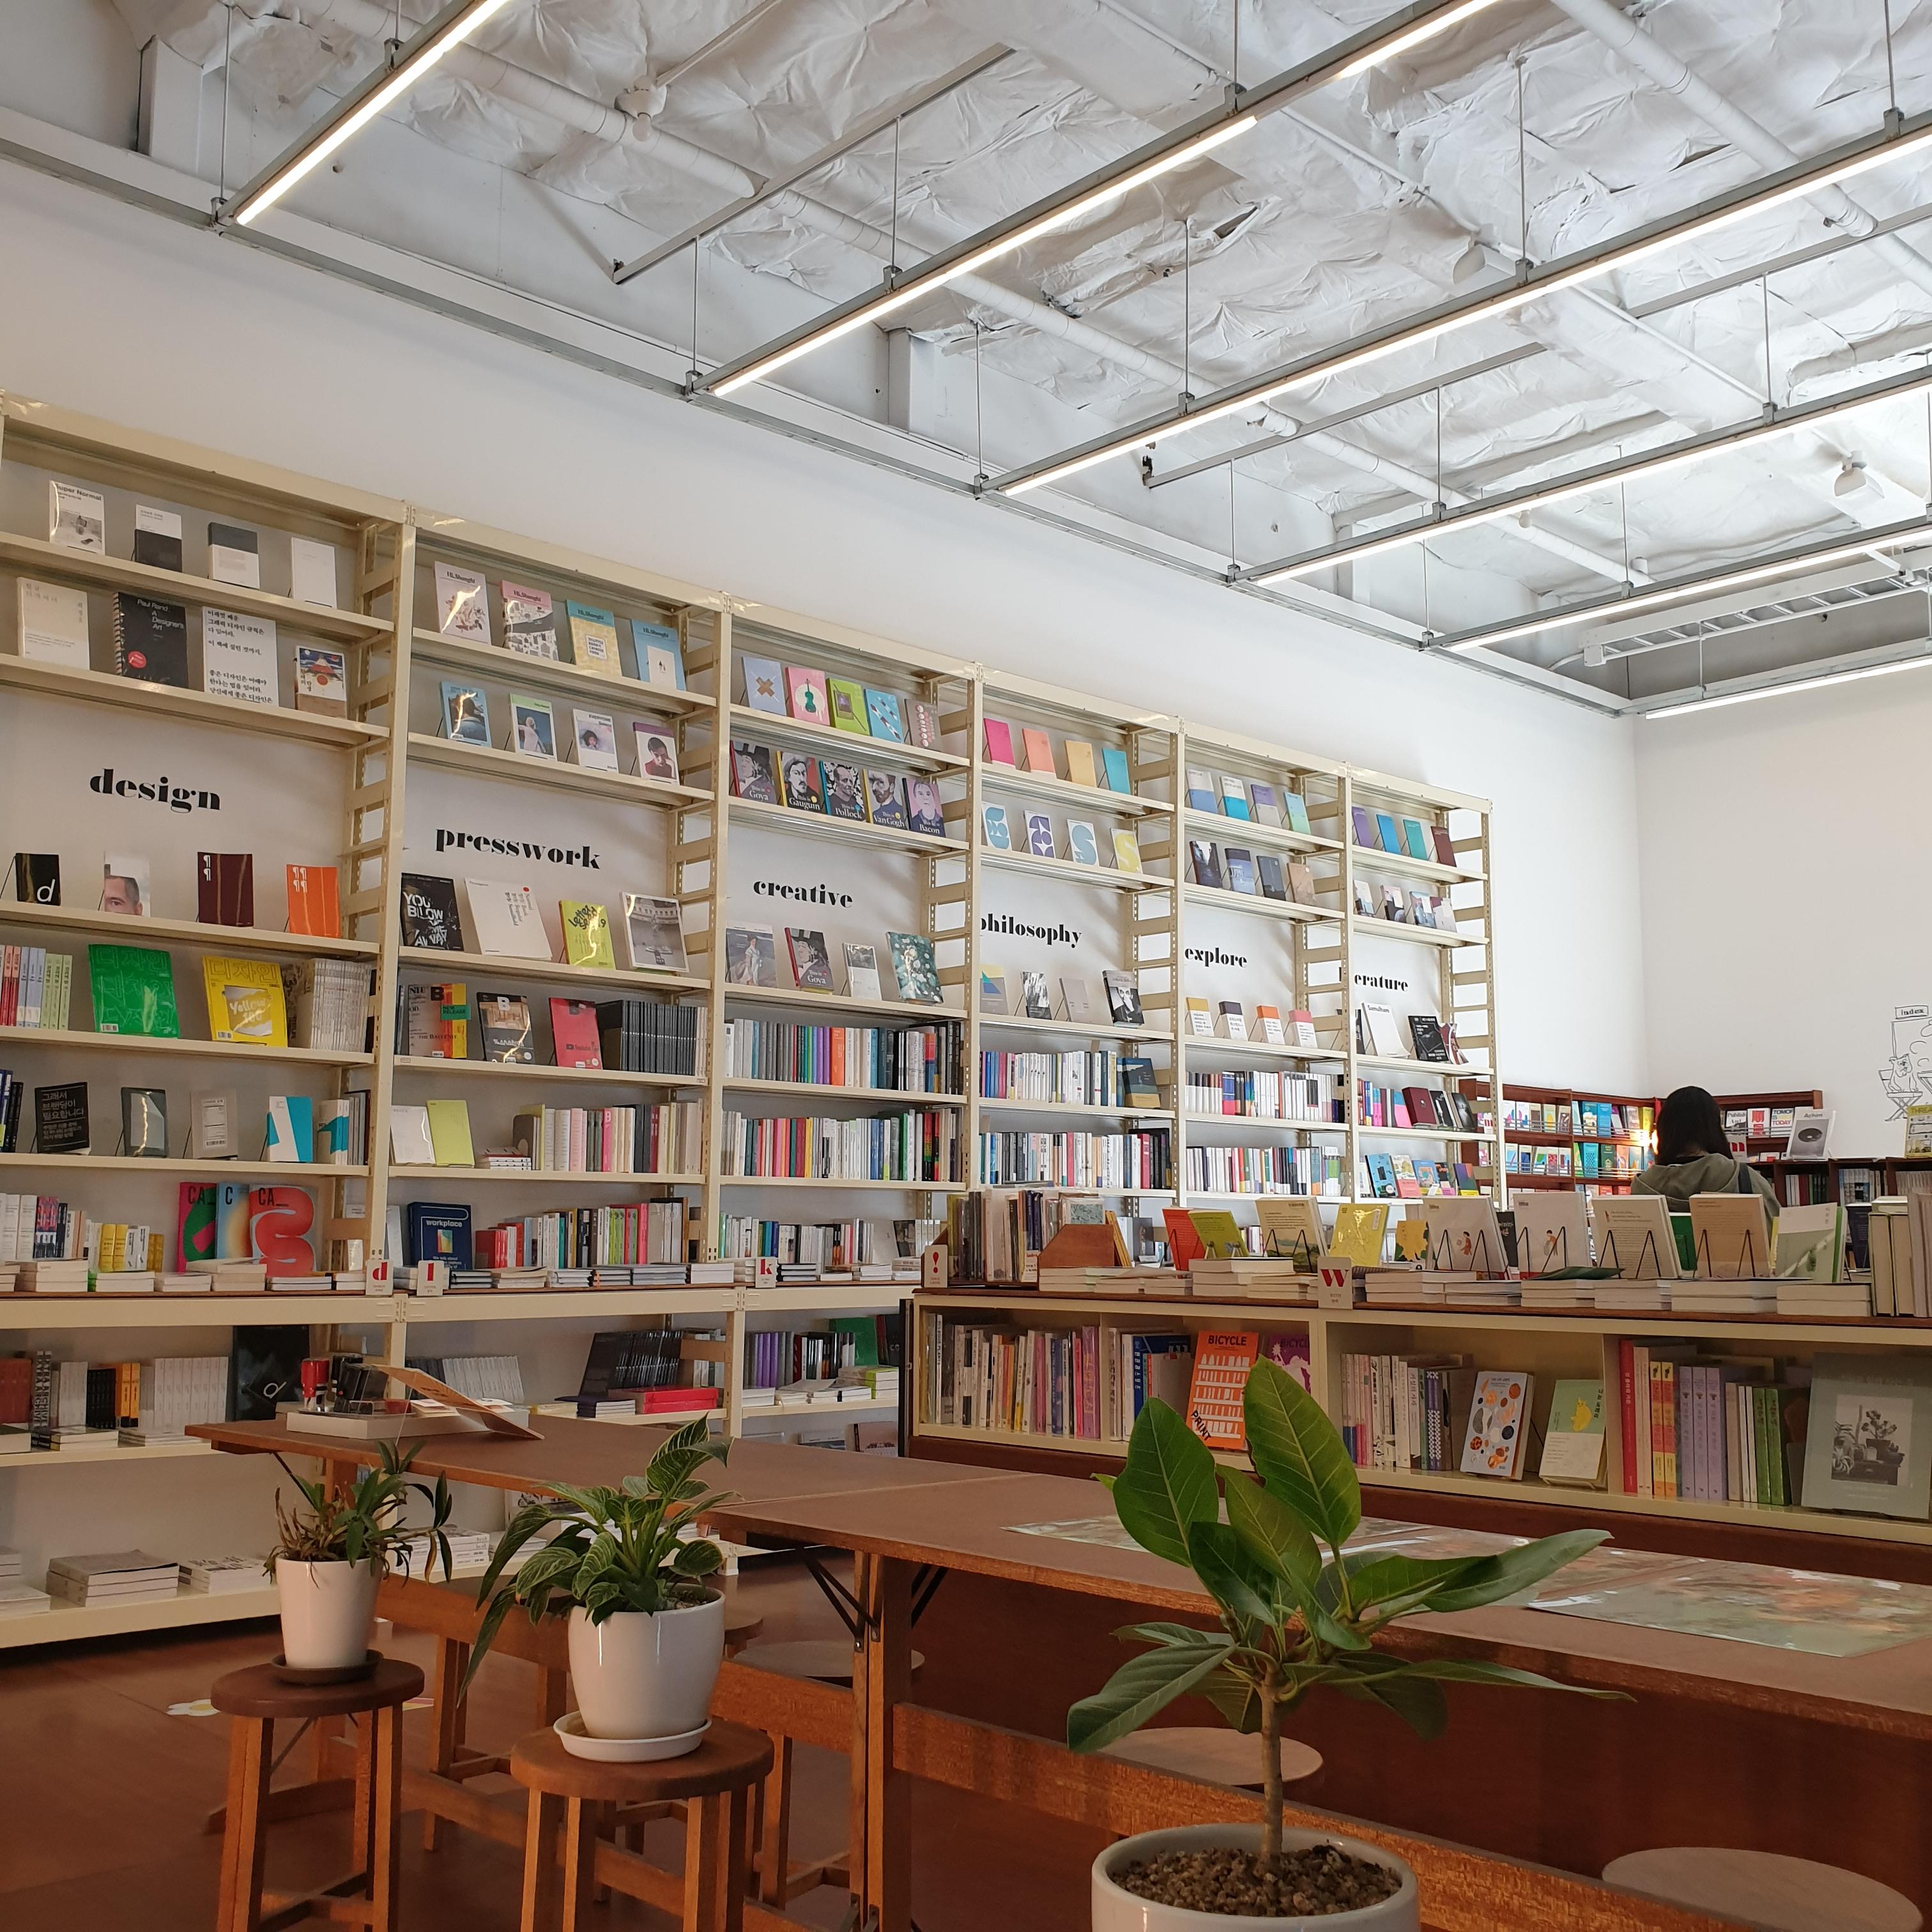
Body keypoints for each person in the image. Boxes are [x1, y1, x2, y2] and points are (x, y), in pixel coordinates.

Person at [1634, 1085, 1777, 1209]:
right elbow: (1775, 1228)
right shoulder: (1744, 1178)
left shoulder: (1642, 1187)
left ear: (1664, 1130)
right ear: (1714, 1129)